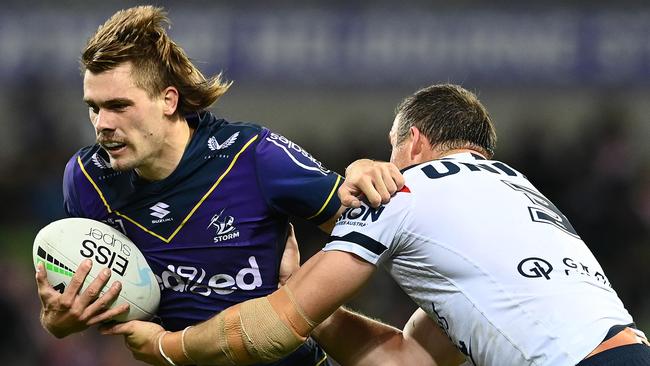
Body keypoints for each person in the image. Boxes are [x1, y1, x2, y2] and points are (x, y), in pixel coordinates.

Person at [104, 83, 650, 366]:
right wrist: (302, 295)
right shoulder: (517, 194)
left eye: (390, 148)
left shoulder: (406, 188)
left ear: (411, 141)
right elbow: (409, 360)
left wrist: (166, 347)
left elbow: (271, 332)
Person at [33, 5, 403, 366]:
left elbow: (369, 225)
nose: (102, 123)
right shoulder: (86, 179)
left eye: (119, 106)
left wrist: (362, 168)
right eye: (94, 107)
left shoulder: (252, 155)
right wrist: (59, 321)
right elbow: (86, 299)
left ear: (168, 100)